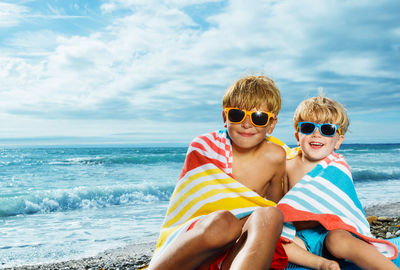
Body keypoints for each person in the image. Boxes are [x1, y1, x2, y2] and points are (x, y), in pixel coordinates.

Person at [148, 75, 289, 270]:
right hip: (203, 245)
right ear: (225, 118)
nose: (247, 124)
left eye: (258, 117)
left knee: (271, 215)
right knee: (224, 223)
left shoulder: (276, 156)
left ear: (271, 124)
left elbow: (274, 204)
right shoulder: (204, 148)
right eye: (237, 115)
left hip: (242, 251)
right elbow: (189, 204)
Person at [278, 95, 399, 270]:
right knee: (272, 241)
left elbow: (346, 207)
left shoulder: (336, 168)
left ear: (338, 141)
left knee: (338, 240)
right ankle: (321, 264)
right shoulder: (287, 166)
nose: (316, 133)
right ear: (298, 136)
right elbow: (281, 205)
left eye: (327, 129)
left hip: (332, 231)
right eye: (307, 127)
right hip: (299, 237)